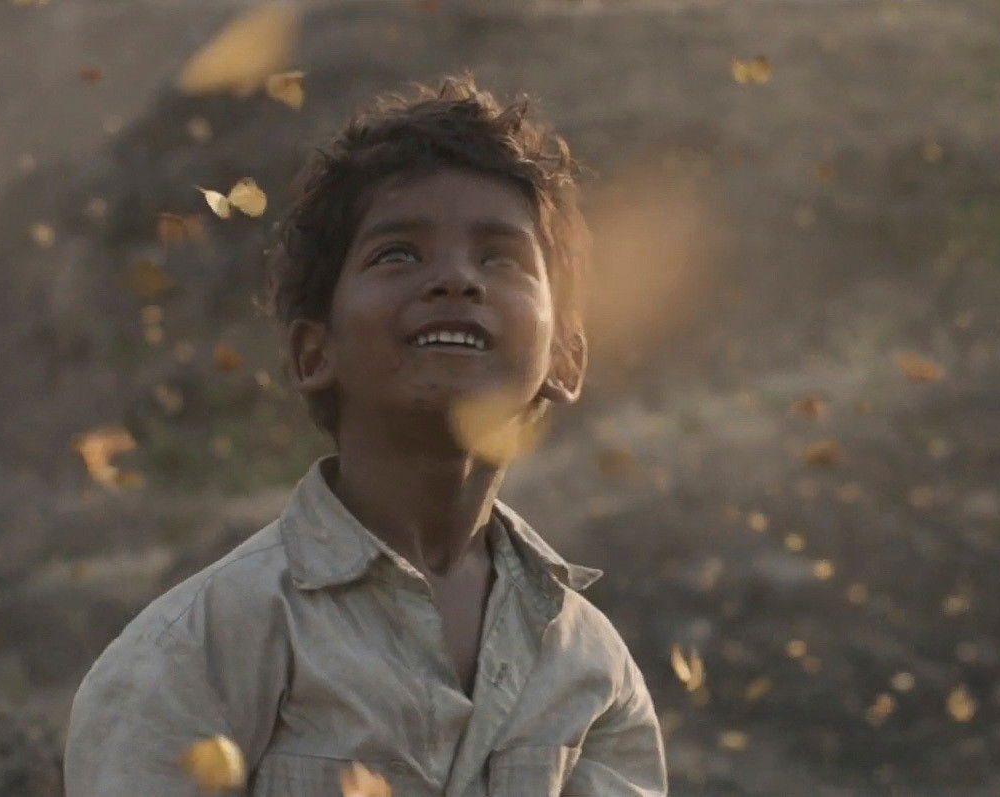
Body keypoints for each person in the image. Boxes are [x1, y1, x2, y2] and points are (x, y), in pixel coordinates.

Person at [64, 74, 667, 796]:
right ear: (313, 353)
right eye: (398, 254)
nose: (455, 279)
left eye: (500, 258)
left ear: (564, 359)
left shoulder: (591, 669)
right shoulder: (203, 648)